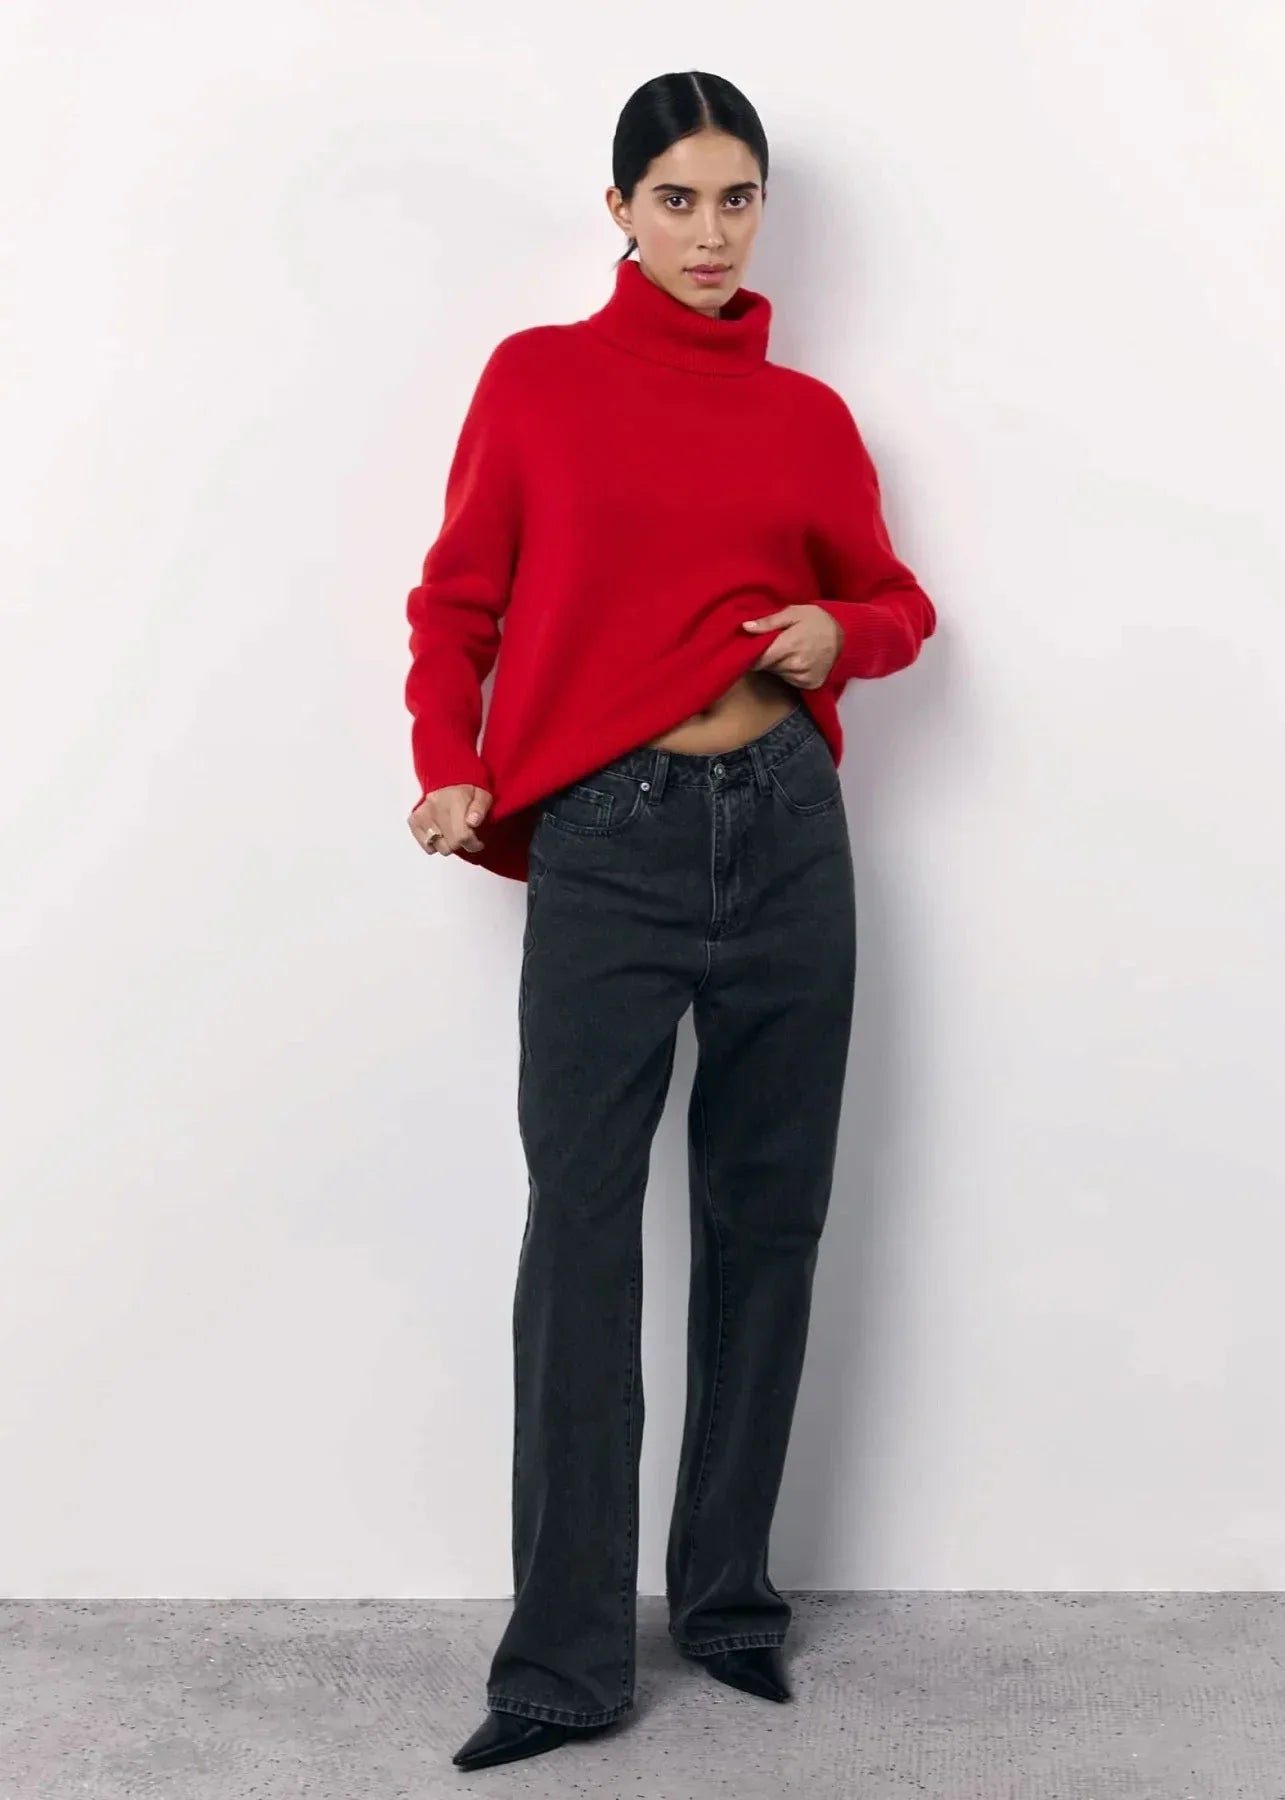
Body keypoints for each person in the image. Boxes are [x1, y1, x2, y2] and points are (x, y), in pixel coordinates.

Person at [402, 71, 937, 1774]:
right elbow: (455, 604)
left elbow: (896, 601)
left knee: (766, 1222)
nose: (712, 233)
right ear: (620, 210)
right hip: (608, 845)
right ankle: (562, 1664)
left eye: (738, 199)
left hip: (785, 833)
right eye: (679, 200)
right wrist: (449, 764)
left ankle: (725, 1603)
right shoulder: (537, 381)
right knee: (578, 1236)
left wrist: (838, 635)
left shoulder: (806, 418)